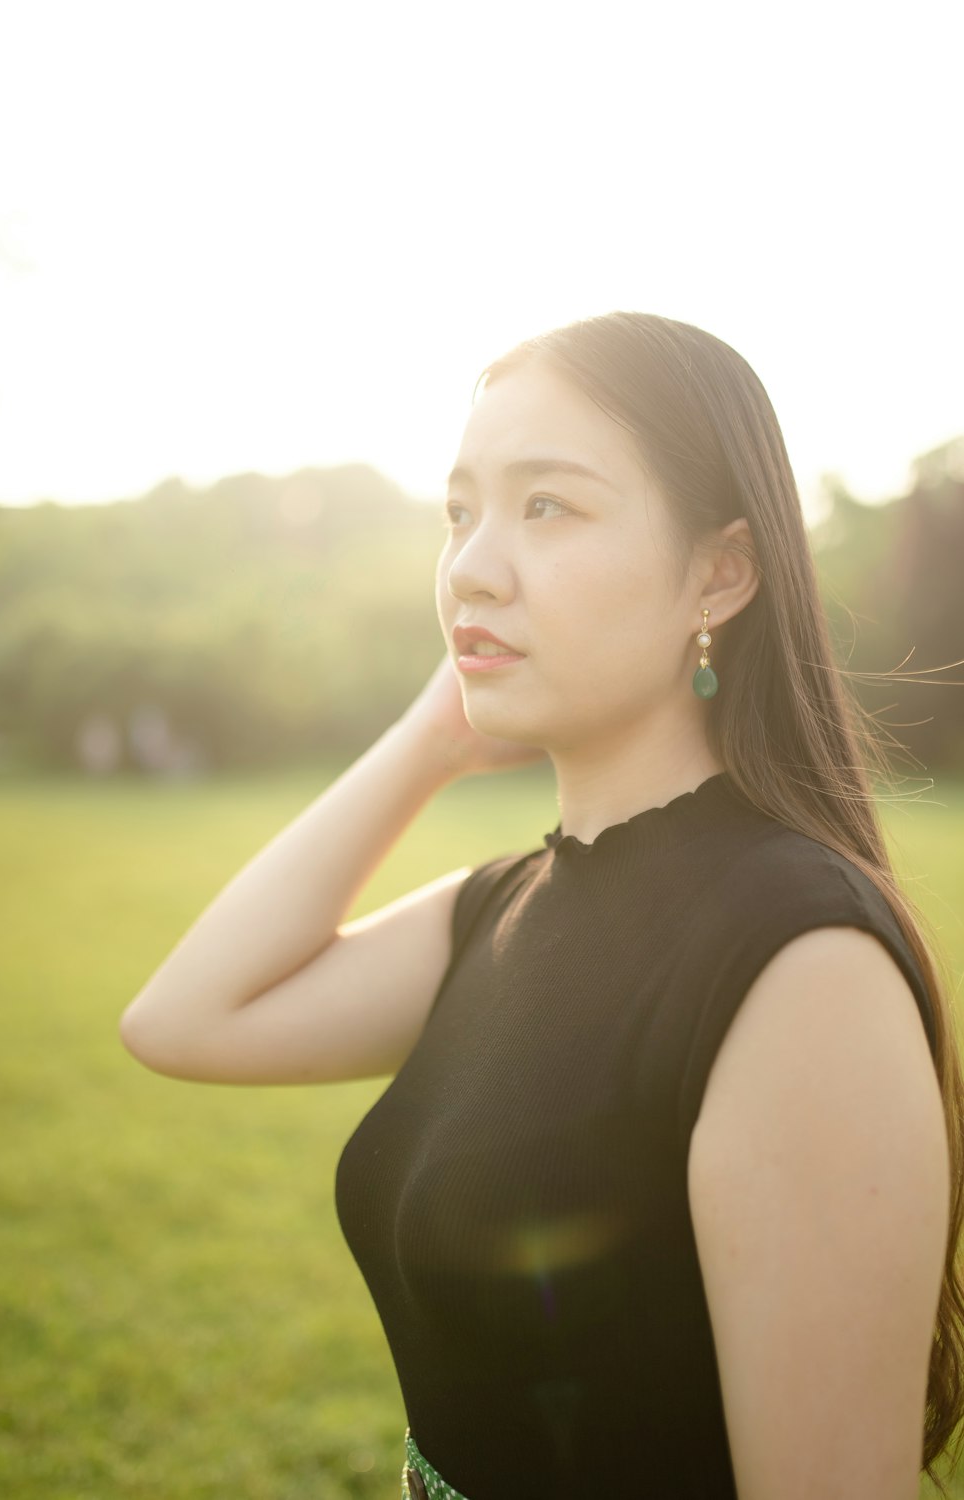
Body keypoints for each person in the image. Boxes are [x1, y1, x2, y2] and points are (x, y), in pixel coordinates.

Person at [119, 311, 964, 1500]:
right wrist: (428, 739)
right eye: (459, 512)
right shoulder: (499, 909)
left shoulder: (796, 962)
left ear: (718, 573)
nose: (468, 565)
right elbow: (184, 1020)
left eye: (546, 506)